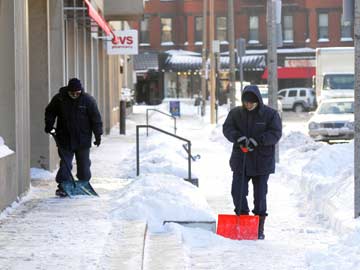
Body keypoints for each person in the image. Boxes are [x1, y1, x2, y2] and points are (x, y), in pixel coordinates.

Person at [222, 85, 282, 239]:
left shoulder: (270, 115)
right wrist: (238, 137)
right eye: (246, 102)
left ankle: (258, 228)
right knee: (237, 192)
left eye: (251, 103)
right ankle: (242, 220)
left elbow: (275, 133)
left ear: (258, 101)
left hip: (261, 162)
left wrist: (259, 141)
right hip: (240, 160)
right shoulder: (236, 113)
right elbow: (227, 128)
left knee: (260, 195)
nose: (248, 105)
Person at [44, 78, 103, 197]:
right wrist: (49, 125)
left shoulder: (88, 101)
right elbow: (50, 112)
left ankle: (83, 183)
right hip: (64, 138)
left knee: (84, 165)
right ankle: (63, 185)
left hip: (83, 139)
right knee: (66, 164)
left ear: (81, 91)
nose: (75, 95)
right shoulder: (60, 99)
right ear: (68, 91)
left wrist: (98, 135)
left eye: (77, 93)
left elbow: (96, 119)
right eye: (72, 93)